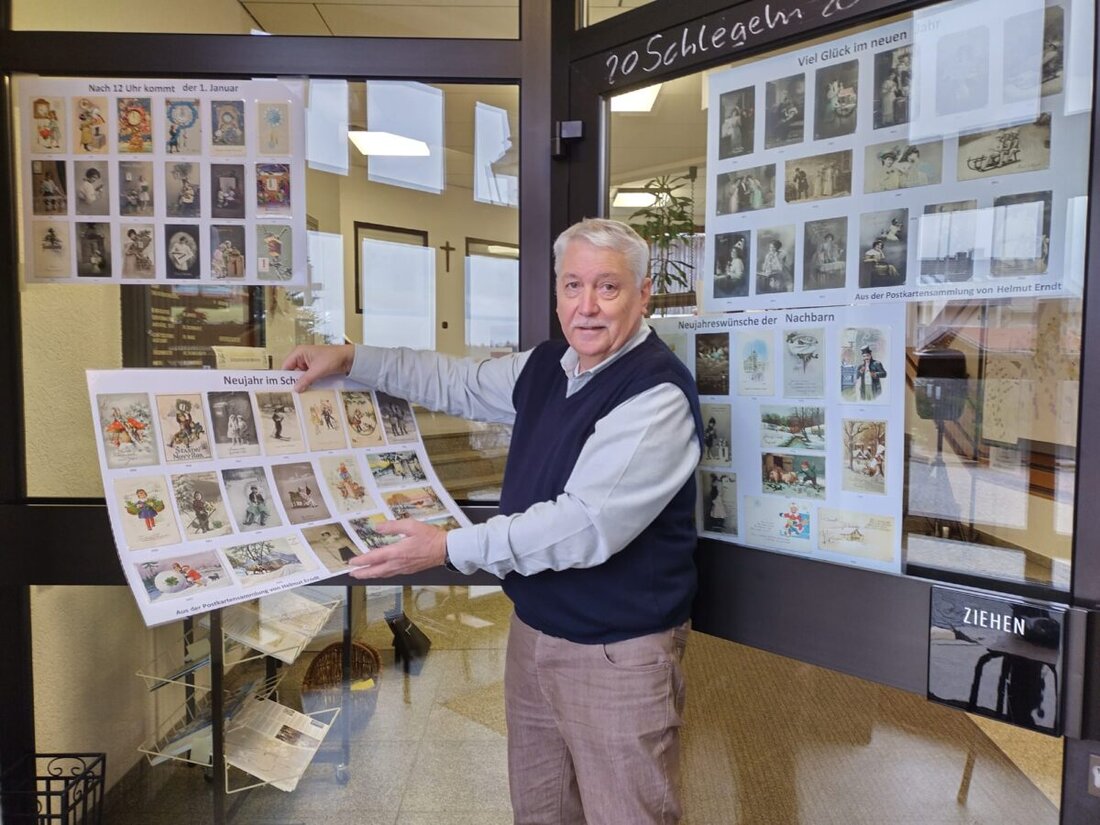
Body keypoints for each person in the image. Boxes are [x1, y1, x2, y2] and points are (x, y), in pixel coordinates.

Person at [282, 217, 703, 824]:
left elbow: (583, 525)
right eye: (572, 286)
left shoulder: (654, 394)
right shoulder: (550, 365)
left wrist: (449, 547)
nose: (586, 306)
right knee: (540, 811)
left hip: (617, 653)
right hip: (535, 634)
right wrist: (350, 356)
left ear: (643, 295)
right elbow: (454, 381)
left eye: (607, 288)